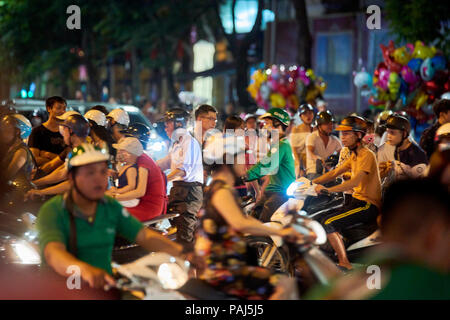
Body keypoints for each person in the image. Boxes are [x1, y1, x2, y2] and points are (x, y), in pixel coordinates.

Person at [36, 143, 182, 289]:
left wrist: (184, 253)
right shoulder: (54, 210)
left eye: (103, 172)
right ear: (71, 177)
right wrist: (85, 270)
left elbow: (144, 236)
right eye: (90, 173)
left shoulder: (109, 207)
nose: (98, 179)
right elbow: (53, 253)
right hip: (61, 290)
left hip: (101, 288)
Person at [197, 134, 303, 300]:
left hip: (228, 263)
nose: (244, 162)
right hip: (223, 269)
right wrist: (282, 232)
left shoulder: (219, 187)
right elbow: (240, 223)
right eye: (240, 156)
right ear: (227, 160)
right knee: (285, 285)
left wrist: (278, 230)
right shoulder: (221, 190)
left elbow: (245, 220)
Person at [305, 179, 449, 300]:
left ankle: (344, 260)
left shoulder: (338, 286)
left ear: (381, 221)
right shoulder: (436, 285)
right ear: (435, 232)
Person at [313, 115, 382, 270]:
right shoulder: (354, 155)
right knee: (318, 218)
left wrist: (328, 190)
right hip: (356, 201)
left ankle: (344, 263)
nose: (342, 137)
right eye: (341, 134)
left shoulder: (366, 155)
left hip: (367, 204)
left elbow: (354, 182)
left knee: (329, 222)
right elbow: (335, 172)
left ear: (358, 135)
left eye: (346, 133)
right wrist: (310, 182)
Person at [156, 108, 203, 252]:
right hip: (178, 190)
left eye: (168, 124)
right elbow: (164, 163)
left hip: (189, 193)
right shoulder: (176, 144)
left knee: (184, 236)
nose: (165, 127)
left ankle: (191, 271)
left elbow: (183, 170)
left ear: (178, 124)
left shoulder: (189, 142)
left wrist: (162, 179)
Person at [246, 108, 296, 223]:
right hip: (272, 189)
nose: (264, 127)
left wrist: (246, 175)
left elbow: (266, 165)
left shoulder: (282, 145)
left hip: (280, 192)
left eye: (267, 123)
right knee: (253, 219)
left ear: (278, 124)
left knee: (264, 224)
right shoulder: (277, 144)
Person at [25, 114, 90, 199]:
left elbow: (71, 183)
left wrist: (41, 191)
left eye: (64, 129)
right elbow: (62, 174)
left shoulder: (83, 154)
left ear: (71, 131)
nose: (62, 134)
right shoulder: (78, 151)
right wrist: (34, 183)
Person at [106, 137, 164, 221]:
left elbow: (140, 192)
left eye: (122, 151)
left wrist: (114, 197)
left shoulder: (143, 163)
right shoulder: (136, 159)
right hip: (140, 202)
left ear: (131, 152)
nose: (119, 153)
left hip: (148, 207)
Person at [378, 115, 428, 185]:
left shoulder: (418, 155)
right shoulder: (389, 149)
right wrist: (381, 173)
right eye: (387, 132)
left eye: (392, 133)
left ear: (404, 134)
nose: (388, 136)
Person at [0, 115, 35, 206]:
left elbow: (7, 175)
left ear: (18, 132)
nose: (2, 133)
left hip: (17, 196)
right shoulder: (10, 148)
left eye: (7, 129)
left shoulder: (21, 151)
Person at [223, 115, 260, 199]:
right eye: (241, 128)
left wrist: (257, 191)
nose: (243, 131)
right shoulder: (220, 146)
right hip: (223, 187)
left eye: (244, 129)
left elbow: (250, 168)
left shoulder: (244, 147)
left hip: (240, 187)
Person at [28, 96, 67, 168]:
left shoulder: (67, 132)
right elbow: (34, 160)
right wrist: (59, 160)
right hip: (42, 174)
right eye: (59, 108)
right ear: (49, 108)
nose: (63, 111)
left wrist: (49, 155)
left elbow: (69, 160)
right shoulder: (37, 132)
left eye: (64, 108)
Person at [305, 110, 342, 180]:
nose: (330, 126)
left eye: (331, 123)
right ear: (319, 125)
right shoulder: (312, 137)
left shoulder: (335, 140)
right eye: (326, 124)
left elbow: (343, 153)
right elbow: (309, 152)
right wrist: (317, 158)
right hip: (313, 172)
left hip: (329, 173)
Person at [290, 104, 315, 178]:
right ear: (300, 116)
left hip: (314, 163)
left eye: (310, 113)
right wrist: (300, 167)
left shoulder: (316, 129)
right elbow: (294, 150)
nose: (308, 116)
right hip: (301, 162)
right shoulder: (296, 129)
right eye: (305, 114)